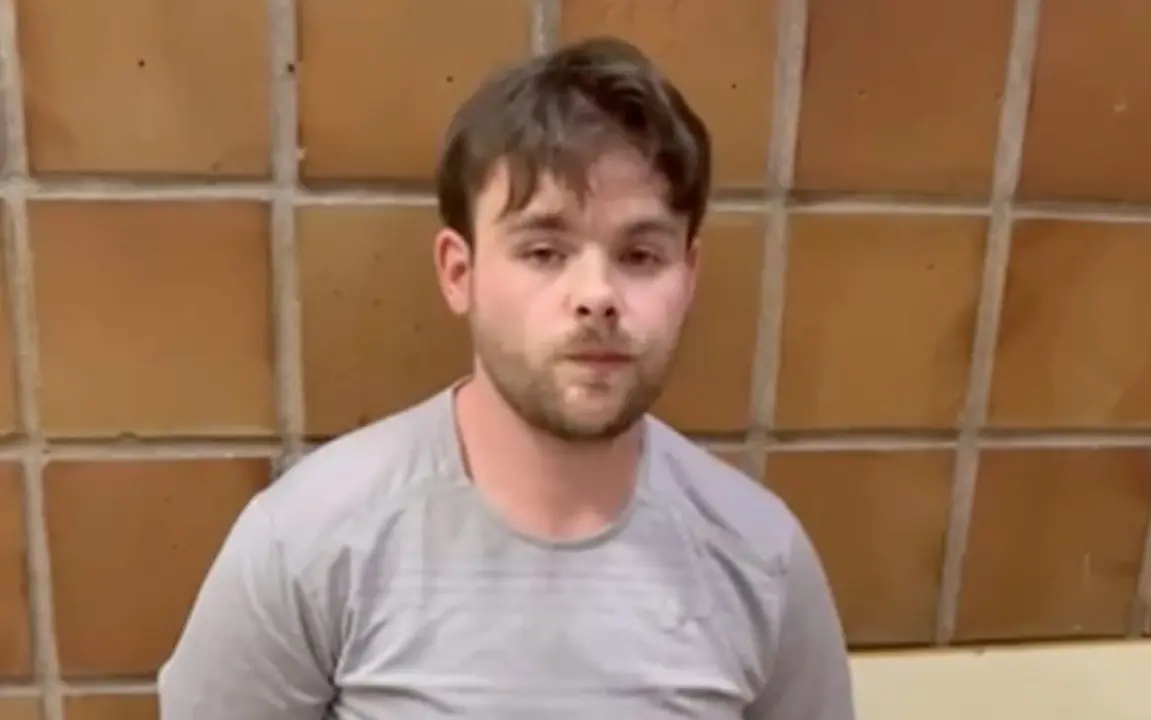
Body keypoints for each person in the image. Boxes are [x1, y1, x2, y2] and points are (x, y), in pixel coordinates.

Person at [157, 36, 854, 719]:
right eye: (545, 251)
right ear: (459, 273)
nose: (597, 296)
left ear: (689, 276)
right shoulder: (305, 543)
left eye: (640, 255)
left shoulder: (763, 561)